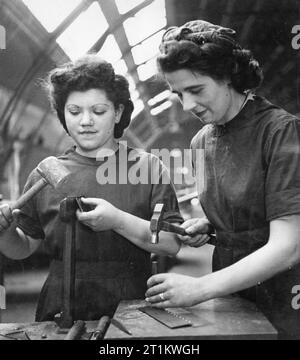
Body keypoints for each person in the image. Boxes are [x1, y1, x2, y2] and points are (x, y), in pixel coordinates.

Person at [145, 20, 300, 339]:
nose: (187, 105)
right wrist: (212, 226)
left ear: (229, 76)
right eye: (178, 94)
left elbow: (289, 246)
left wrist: (201, 287)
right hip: (233, 294)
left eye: (196, 90)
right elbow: (249, 210)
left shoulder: (281, 132)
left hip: (285, 295)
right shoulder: (201, 142)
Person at [0, 55, 182, 321]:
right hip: (61, 307)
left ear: (118, 112)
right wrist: (4, 234)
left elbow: (169, 243)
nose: (86, 121)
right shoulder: (45, 173)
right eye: (74, 112)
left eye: (98, 111)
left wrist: (117, 220)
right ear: (62, 114)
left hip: (131, 307)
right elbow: (24, 247)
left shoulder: (148, 168)